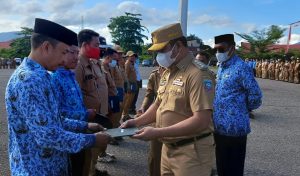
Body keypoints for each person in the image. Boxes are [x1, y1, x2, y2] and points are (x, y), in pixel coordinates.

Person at [5, 18, 110, 176]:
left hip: (50, 165)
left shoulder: (41, 75)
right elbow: (48, 136)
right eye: (63, 52)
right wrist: (92, 140)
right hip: (38, 170)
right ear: (46, 47)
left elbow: (53, 119)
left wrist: (84, 126)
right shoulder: (29, 80)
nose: (64, 59)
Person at [121, 23, 215, 176]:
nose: (158, 56)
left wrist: (157, 132)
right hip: (168, 148)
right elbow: (159, 104)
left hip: (191, 152)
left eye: (161, 50)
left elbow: (201, 120)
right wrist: (136, 122)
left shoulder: (198, 74)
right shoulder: (168, 72)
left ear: (178, 46)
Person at [51, 45, 105, 176]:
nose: (76, 57)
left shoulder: (70, 75)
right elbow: (58, 114)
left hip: (80, 133)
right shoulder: (54, 78)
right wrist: (84, 115)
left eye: (77, 53)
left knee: (82, 167)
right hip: (68, 138)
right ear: (61, 53)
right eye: (71, 53)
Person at [213, 34, 262, 176]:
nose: (218, 53)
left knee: (234, 169)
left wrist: (242, 109)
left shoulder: (241, 67)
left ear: (232, 48)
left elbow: (256, 95)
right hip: (219, 128)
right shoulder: (222, 67)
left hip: (235, 129)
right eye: (216, 50)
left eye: (221, 49)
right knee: (221, 167)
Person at [75, 29, 111, 176]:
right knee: (87, 154)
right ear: (85, 45)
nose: (99, 49)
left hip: (96, 115)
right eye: (96, 45)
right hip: (86, 118)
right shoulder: (78, 65)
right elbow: (75, 97)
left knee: (93, 151)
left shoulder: (91, 63)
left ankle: (92, 170)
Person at [137, 66, 165, 176]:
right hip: (157, 120)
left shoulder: (183, 73)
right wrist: (143, 108)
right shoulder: (155, 75)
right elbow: (150, 95)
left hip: (177, 122)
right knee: (155, 156)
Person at [121, 51, 137, 121]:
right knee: (128, 100)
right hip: (130, 83)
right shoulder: (127, 63)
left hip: (133, 83)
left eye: (134, 56)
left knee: (131, 100)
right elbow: (126, 75)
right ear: (128, 57)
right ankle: (124, 115)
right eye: (131, 56)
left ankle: (126, 114)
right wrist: (127, 85)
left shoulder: (132, 63)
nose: (133, 57)